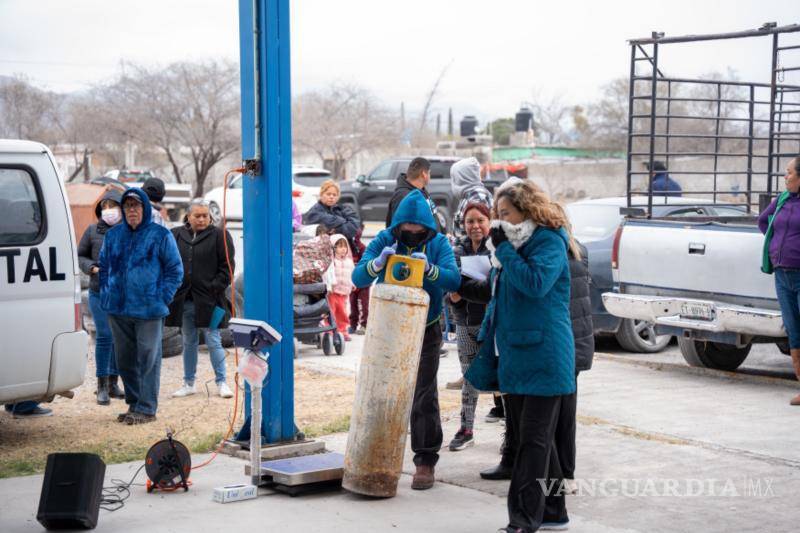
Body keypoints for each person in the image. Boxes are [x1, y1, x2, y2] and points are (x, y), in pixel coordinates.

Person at [465, 180, 578, 532]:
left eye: (505, 214)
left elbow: (536, 284)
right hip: (514, 354)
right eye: (496, 215)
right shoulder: (509, 247)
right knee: (542, 445)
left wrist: (506, 253)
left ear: (526, 210)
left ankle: (523, 520)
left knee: (533, 441)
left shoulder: (548, 240)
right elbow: (499, 296)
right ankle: (555, 511)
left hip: (546, 354)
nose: (498, 221)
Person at [353, 189, 460, 490]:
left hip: (427, 326)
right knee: (381, 390)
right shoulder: (386, 239)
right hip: (388, 326)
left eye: (418, 231)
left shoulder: (438, 243)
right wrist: (377, 265)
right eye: (407, 230)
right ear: (398, 225)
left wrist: (431, 270)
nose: (412, 235)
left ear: (427, 227)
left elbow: (453, 279)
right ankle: (376, 453)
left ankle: (425, 459)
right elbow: (358, 277)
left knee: (423, 391)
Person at [99, 188, 183, 425]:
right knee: (124, 359)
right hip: (118, 309)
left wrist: (161, 297)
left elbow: (175, 270)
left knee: (148, 358)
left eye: (136, 206)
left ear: (145, 208)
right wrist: (107, 293)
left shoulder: (159, 235)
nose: (132, 211)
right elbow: (104, 266)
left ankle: (147, 408)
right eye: (127, 207)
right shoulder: (113, 235)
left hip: (149, 310)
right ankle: (134, 404)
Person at [168, 199, 236, 399]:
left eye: (205, 215)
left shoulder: (220, 235)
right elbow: (170, 263)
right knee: (189, 341)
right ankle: (188, 383)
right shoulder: (176, 235)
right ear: (188, 216)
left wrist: (213, 288)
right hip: (185, 300)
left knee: (213, 339)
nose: (201, 219)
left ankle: (222, 382)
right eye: (197, 215)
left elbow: (227, 269)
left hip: (211, 300)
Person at [446, 202, 492, 451]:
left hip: (492, 323)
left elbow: (493, 287)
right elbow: (450, 285)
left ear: (489, 222)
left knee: (501, 377)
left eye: (480, 220)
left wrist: (462, 289)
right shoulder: (456, 250)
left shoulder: (497, 249)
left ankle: (512, 434)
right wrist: (456, 291)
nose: (475, 226)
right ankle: (466, 428)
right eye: (470, 221)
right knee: (469, 377)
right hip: (464, 322)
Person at [77, 189, 125, 405]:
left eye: (112, 206)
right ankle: (102, 386)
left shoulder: (128, 231)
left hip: (121, 293)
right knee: (105, 335)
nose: (109, 211)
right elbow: (81, 255)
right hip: (98, 291)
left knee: (118, 337)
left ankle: (114, 383)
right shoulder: (92, 230)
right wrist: (92, 268)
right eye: (104, 207)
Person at [759, 156, 800, 406]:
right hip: (782, 275)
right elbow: (763, 221)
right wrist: (774, 243)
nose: (785, 177)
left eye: (789, 173)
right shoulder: (782, 199)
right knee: (793, 331)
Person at [385, 157, 440, 231]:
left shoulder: (422, 191)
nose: (430, 176)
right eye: (429, 173)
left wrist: (443, 235)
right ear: (424, 174)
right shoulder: (402, 196)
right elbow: (400, 229)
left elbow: (432, 216)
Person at [451, 157, 493, 241]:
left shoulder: (477, 196)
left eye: (455, 178)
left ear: (462, 177)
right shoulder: (469, 195)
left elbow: (477, 235)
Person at [326, 234, 355, 341]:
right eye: (339, 246)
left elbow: (352, 274)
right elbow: (328, 275)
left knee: (343, 313)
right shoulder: (332, 261)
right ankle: (329, 330)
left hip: (344, 292)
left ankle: (342, 331)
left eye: (345, 246)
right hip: (333, 292)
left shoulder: (349, 261)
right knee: (331, 312)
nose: (343, 249)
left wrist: (353, 284)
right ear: (333, 248)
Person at [348, 223, 369, 335]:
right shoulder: (347, 248)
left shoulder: (363, 248)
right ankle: (352, 325)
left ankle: (364, 325)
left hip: (363, 282)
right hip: (351, 281)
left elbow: (366, 263)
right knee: (352, 304)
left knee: (363, 304)